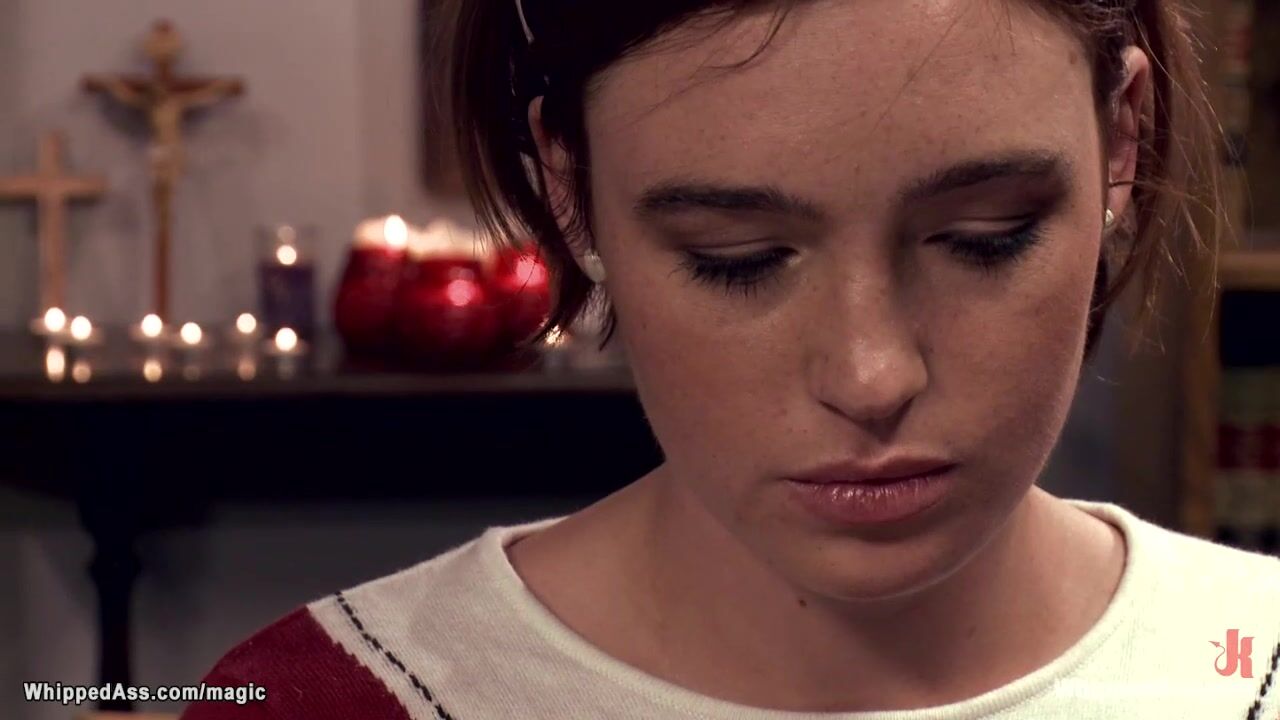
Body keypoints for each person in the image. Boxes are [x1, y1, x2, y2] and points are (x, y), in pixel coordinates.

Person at [182, 1, 1280, 718]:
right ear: (569, 192)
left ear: (1121, 140)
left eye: (981, 237)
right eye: (735, 258)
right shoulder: (329, 697)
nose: (870, 376)